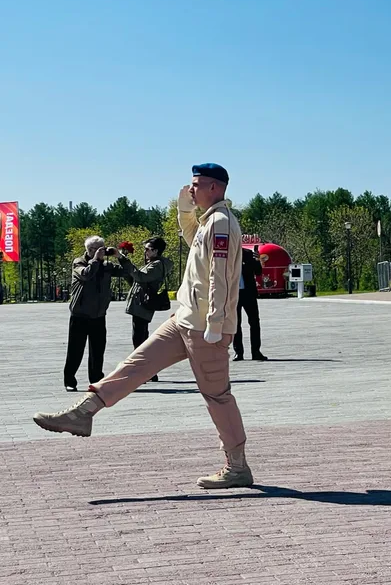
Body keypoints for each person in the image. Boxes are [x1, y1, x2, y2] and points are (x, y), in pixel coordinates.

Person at [34, 164, 254, 488]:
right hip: (184, 320)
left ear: (215, 188)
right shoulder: (209, 222)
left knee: (217, 396)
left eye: (197, 185)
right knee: (136, 365)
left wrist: (216, 323)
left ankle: (237, 467)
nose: (191, 190)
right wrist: (184, 210)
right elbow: (195, 240)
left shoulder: (221, 223)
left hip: (206, 328)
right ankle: (84, 413)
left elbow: (219, 277)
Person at [63, 235, 122, 391]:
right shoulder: (78, 262)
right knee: (75, 350)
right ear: (89, 250)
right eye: (98, 249)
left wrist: (119, 256)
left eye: (103, 248)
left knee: (98, 350)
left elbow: (128, 272)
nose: (101, 252)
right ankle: (70, 380)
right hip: (80, 315)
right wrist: (96, 260)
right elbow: (87, 274)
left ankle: (96, 379)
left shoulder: (106, 265)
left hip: (98, 315)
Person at [120, 236, 169, 382]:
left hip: (144, 304)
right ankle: (149, 371)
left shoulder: (158, 265)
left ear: (156, 251)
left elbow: (141, 277)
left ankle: (145, 371)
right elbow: (135, 279)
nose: (145, 251)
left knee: (140, 339)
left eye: (148, 249)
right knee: (141, 337)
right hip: (140, 303)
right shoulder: (151, 263)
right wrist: (123, 263)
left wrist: (123, 259)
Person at [233, 246, 268, 361]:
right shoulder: (227, 254)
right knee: (235, 324)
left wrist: (258, 260)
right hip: (234, 294)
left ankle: (256, 352)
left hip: (249, 293)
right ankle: (238, 352)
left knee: (254, 323)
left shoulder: (248, 254)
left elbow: (258, 272)